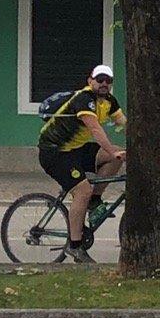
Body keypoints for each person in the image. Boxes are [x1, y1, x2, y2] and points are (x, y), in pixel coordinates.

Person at [37, 64, 126, 260]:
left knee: (117, 156)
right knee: (82, 190)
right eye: (100, 79)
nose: (104, 83)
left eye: (108, 81)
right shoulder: (84, 99)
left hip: (76, 149)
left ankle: (94, 200)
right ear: (90, 81)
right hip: (55, 152)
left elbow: (124, 123)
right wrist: (111, 151)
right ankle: (75, 246)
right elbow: (95, 129)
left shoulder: (109, 101)